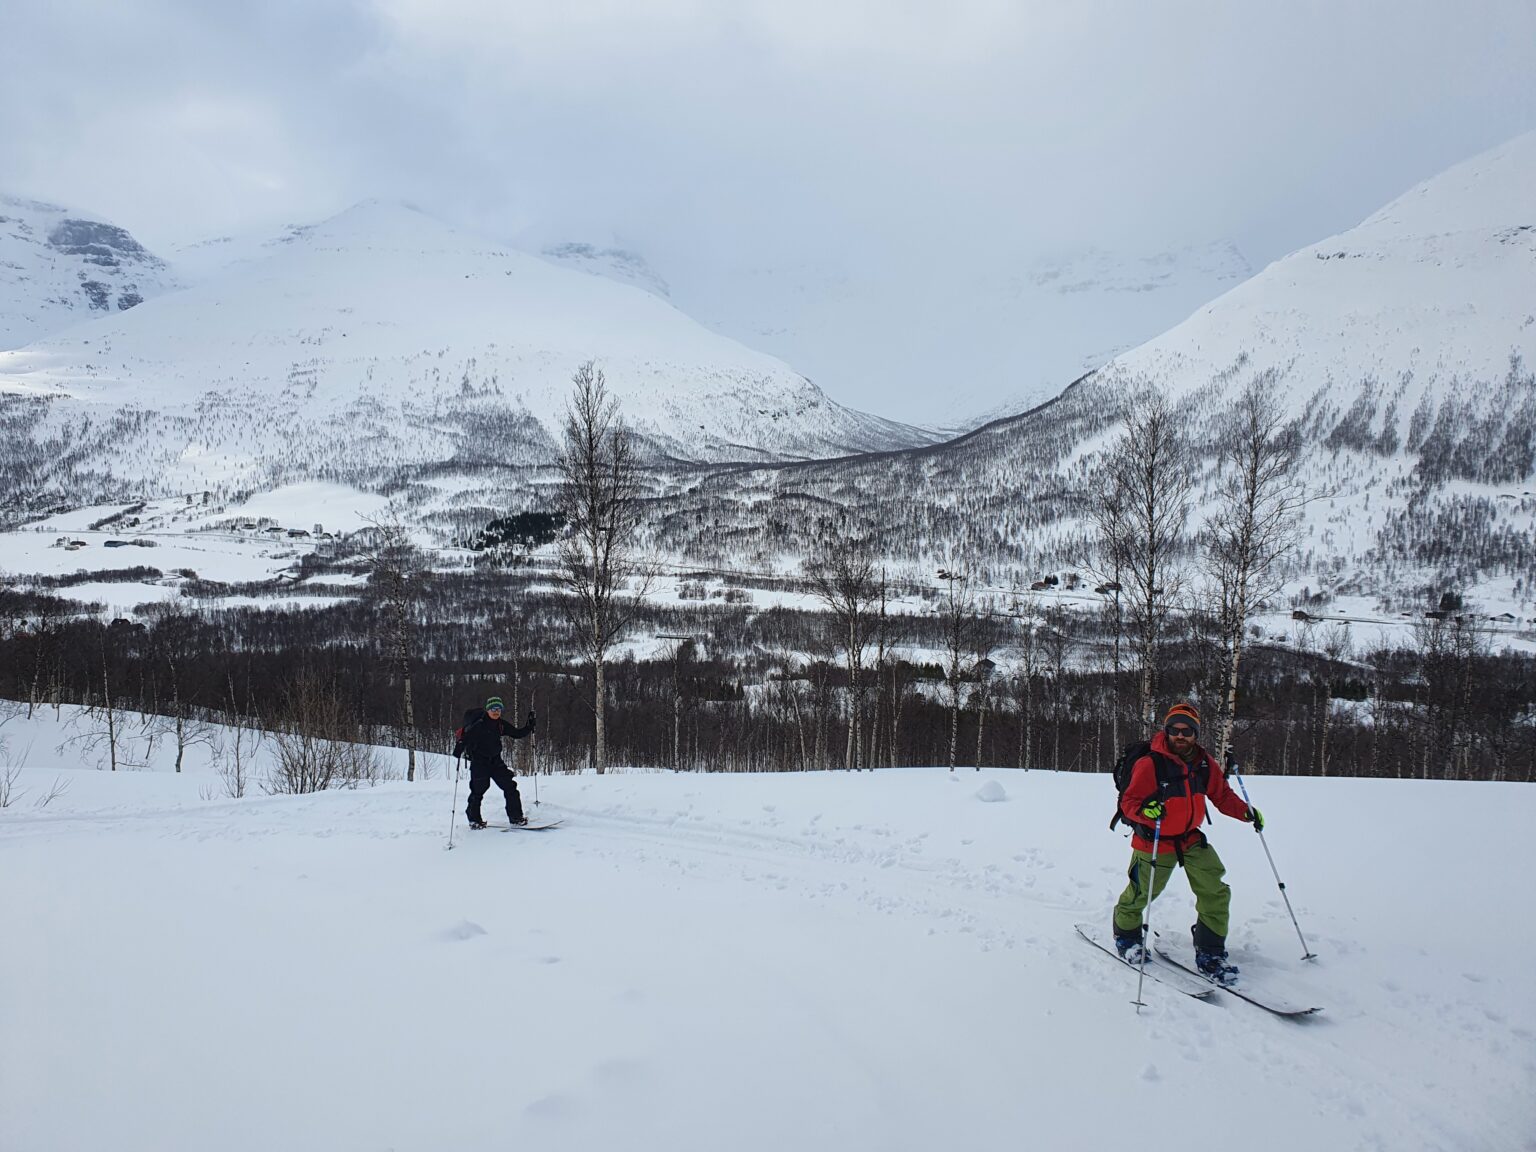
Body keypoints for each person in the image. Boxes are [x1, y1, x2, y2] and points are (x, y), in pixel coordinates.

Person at [1110, 702, 1263, 984]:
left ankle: (1210, 950)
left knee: (1215, 891)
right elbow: (1128, 802)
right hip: (1154, 840)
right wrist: (1146, 811)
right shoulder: (1151, 763)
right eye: (1174, 730)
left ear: (1196, 733)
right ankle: (1126, 935)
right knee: (1141, 892)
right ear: (1167, 731)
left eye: (1187, 730)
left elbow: (1222, 796)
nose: (1180, 736)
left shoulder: (1204, 763)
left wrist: (1246, 812)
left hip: (1191, 839)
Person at [453, 695, 536, 829]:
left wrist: (529, 726)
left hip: (496, 762)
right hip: (479, 762)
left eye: (499, 709)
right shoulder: (478, 724)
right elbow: (465, 738)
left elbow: (516, 733)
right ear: (487, 709)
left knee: (510, 787)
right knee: (478, 791)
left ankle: (516, 818)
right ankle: (474, 820)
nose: (496, 711)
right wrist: (459, 747)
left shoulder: (500, 725)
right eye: (493, 709)